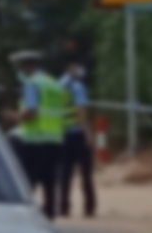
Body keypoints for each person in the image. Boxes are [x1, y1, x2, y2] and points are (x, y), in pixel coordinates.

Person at [10, 50, 71, 220]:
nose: (20, 72)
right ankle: (50, 211)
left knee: (29, 179)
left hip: (35, 138)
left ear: (27, 67)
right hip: (55, 138)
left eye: (20, 68)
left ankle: (25, 213)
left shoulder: (32, 83)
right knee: (49, 178)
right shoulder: (54, 83)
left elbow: (31, 111)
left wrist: (15, 116)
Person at [58, 59, 95, 218]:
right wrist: (88, 131)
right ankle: (89, 206)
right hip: (78, 133)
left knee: (65, 172)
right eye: (78, 67)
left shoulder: (59, 85)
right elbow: (81, 109)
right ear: (71, 67)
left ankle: (64, 206)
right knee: (85, 172)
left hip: (63, 133)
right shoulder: (78, 86)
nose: (80, 70)